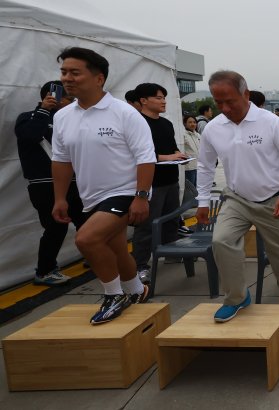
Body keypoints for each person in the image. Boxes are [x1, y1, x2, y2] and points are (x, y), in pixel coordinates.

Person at [51, 47, 155, 324]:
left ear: (99, 78)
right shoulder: (62, 117)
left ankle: (113, 294)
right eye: (64, 72)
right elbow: (61, 160)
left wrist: (141, 196)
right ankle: (136, 290)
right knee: (117, 249)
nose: (67, 79)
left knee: (87, 239)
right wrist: (59, 198)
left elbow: (146, 157)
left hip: (125, 191)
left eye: (75, 72)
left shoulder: (124, 113)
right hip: (90, 195)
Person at [196, 70, 279, 322]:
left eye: (229, 101)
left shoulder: (270, 122)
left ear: (245, 94)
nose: (224, 107)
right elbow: (205, 165)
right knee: (221, 242)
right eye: (217, 102)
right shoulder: (213, 128)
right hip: (236, 198)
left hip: (273, 198)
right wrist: (202, 201)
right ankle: (237, 297)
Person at [15, 80, 86, 286]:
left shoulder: (70, 119)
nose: (73, 102)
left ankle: (93, 254)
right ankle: (45, 271)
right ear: (51, 97)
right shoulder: (28, 117)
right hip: (44, 183)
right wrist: (43, 110)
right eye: (68, 98)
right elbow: (30, 136)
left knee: (88, 222)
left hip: (74, 181)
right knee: (56, 227)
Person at [131, 83, 187, 284]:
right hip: (150, 184)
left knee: (172, 219)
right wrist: (168, 157)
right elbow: (136, 155)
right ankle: (140, 265)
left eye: (164, 97)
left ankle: (172, 252)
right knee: (146, 225)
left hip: (171, 180)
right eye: (158, 97)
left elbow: (171, 149)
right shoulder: (136, 123)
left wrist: (179, 157)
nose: (163, 101)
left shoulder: (166, 124)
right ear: (143, 101)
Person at [182, 115, 201, 187]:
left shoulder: (198, 135)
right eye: (190, 122)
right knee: (190, 188)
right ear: (184, 124)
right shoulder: (183, 135)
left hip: (198, 166)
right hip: (189, 167)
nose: (192, 124)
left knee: (197, 188)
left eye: (194, 122)